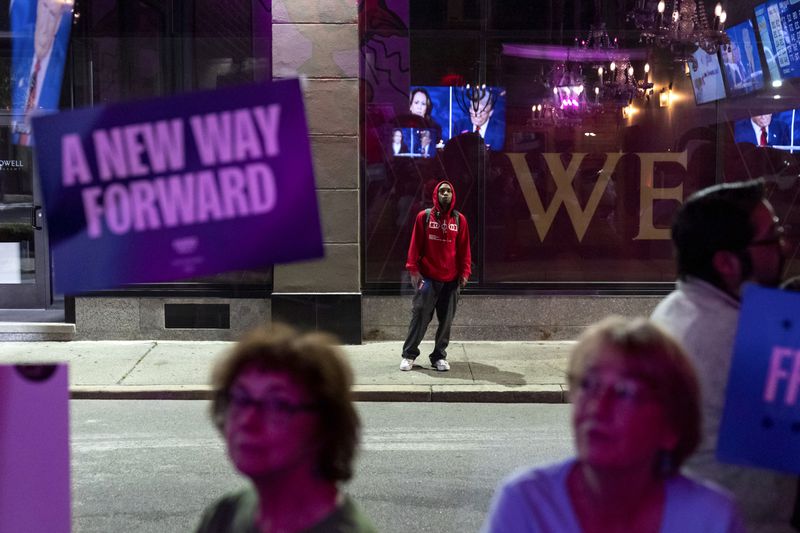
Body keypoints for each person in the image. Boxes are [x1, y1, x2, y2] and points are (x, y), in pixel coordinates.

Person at [483, 316, 745, 533]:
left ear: (672, 426)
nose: (598, 407)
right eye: (589, 385)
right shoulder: (525, 503)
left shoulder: (713, 519)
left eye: (625, 393)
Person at [651, 179, 797, 532]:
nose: (785, 246)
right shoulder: (740, 335)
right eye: (772, 238)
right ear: (727, 263)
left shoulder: (676, 309)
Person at [195, 324, 377, 533]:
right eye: (241, 399)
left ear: (324, 425)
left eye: (278, 405)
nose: (247, 421)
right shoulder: (224, 515)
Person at [400, 180, 471, 372]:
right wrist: (413, 269)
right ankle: (409, 354)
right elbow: (415, 245)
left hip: (451, 280)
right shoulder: (424, 217)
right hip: (428, 278)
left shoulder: (459, 220)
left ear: (453, 195)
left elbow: (464, 250)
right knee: (420, 315)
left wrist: (465, 273)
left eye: (449, 190)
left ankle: (439, 356)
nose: (445, 193)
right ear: (436, 194)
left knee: (446, 320)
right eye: (442, 191)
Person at [11, 0, 74, 145]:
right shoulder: (18, 40)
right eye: (43, 7)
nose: (44, 25)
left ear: (58, 22)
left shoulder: (65, 65)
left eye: (52, 14)